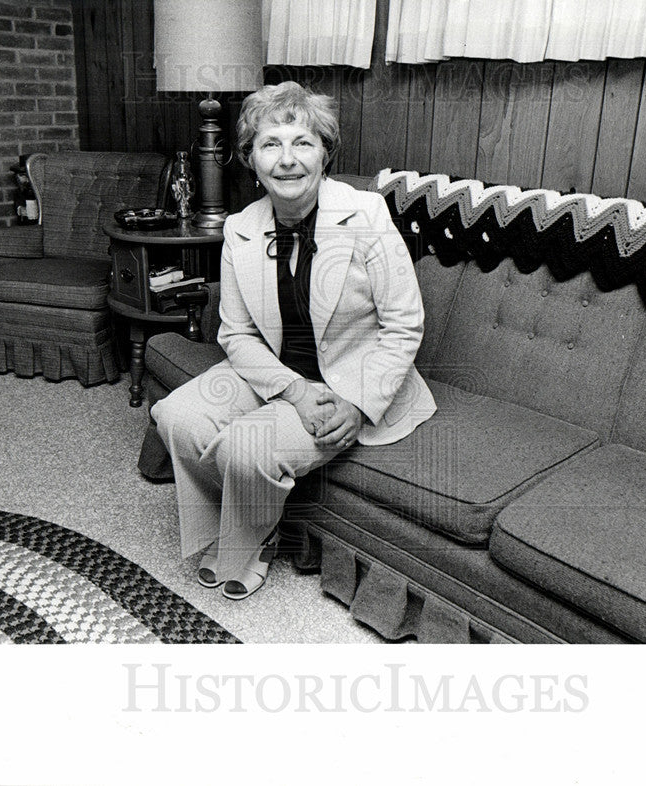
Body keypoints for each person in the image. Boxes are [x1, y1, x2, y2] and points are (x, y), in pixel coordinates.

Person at [151, 81, 436, 600]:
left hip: (349, 381)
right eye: (270, 144)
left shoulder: (365, 214)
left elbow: (404, 323)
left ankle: (247, 543)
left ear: (325, 153)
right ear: (250, 159)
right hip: (279, 374)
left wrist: (359, 405)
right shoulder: (240, 228)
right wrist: (293, 391)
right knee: (176, 416)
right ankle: (241, 526)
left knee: (247, 445)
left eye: (302, 143)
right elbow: (236, 332)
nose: (287, 160)